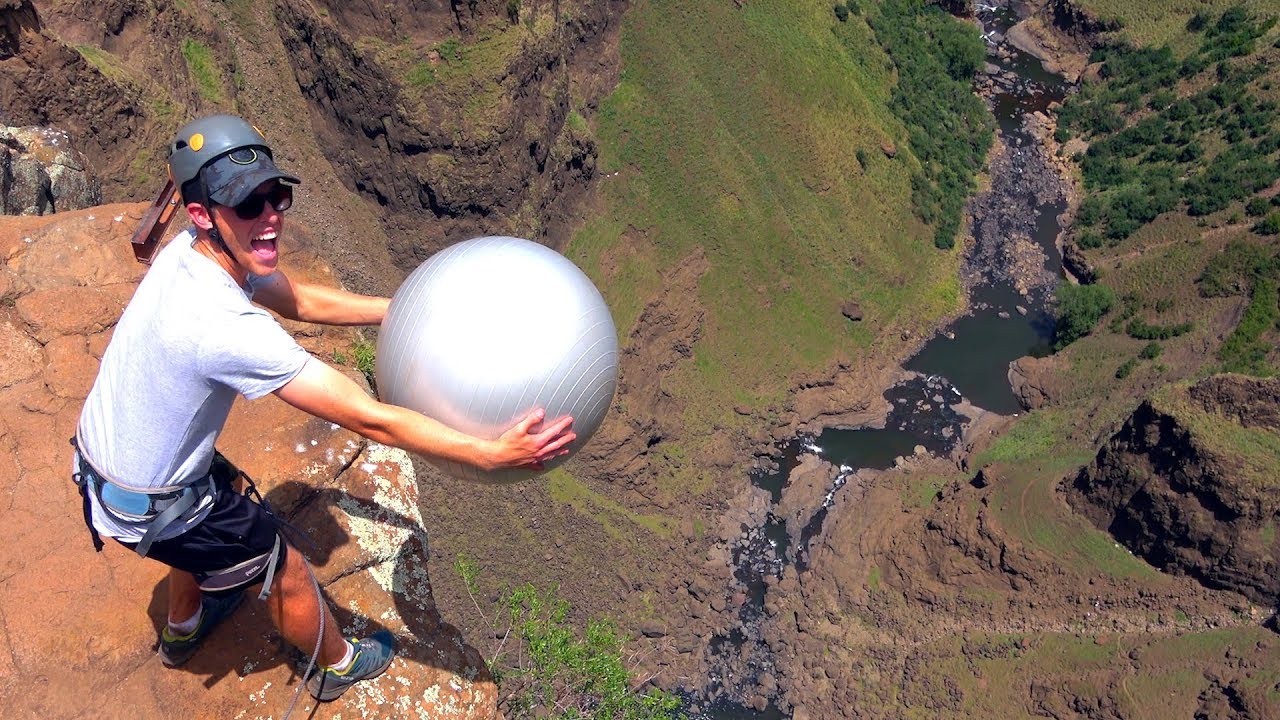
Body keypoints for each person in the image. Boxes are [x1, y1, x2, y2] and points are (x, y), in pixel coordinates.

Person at [72, 113, 575, 703]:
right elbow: (369, 418)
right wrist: (489, 454)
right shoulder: (221, 326)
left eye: (275, 195)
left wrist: (401, 309)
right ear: (203, 214)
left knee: (212, 501)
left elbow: (300, 298)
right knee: (280, 566)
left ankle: (184, 630)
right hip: (147, 500)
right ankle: (335, 664)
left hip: (107, 466)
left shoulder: (190, 253)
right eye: (248, 205)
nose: (270, 215)